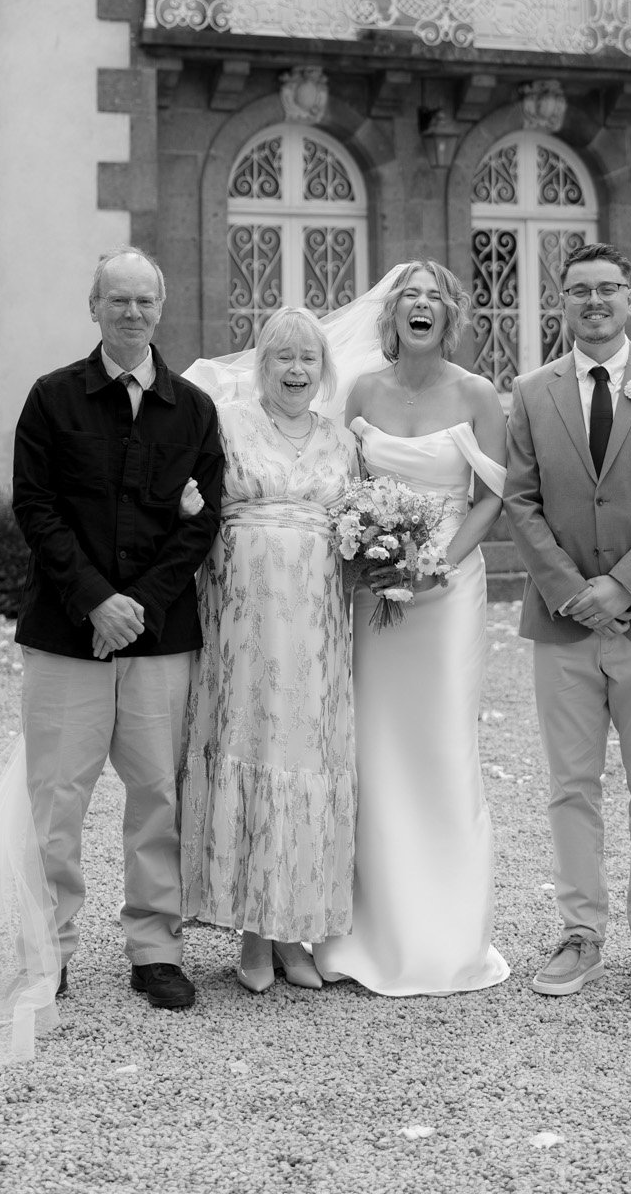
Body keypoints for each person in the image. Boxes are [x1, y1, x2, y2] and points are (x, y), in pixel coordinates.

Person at [11, 247, 224, 1013]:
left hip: (159, 638)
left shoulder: (193, 410)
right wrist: (98, 601)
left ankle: (156, 948)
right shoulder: (51, 399)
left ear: (160, 308)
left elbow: (204, 528)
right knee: (56, 800)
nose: (131, 313)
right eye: (117, 301)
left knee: (158, 798)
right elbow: (35, 510)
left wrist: (136, 604)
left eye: (143, 301)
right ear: (92, 306)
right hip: (67, 632)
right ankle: (48, 948)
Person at [503, 241, 631, 1007]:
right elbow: (518, 502)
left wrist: (623, 587)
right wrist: (571, 591)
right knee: (570, 786)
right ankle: (579, 934)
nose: (593, 302)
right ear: (561, 303)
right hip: (562, 623)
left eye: (606, 289)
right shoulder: (530, 391)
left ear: (629, 298)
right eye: (578, 291)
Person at [313, 261, 511, 995]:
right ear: (390, 315)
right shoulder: (362, 390)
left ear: (449, 315)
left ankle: (448, 936)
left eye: (433, 299)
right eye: (409, 299)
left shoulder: (476, 393)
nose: (420, 308)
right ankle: (369, 929)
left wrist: (437, 564)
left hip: (446, 592)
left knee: (441, 746)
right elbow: (339, 482)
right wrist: (365, 549)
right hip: (374, 591)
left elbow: (493, 497)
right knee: (374, 748)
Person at [180, 307, 358, 993]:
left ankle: (294, 931)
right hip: (245, 620)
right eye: (282, 357)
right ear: (260, 363)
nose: (294, 370)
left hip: (317, 626)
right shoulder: (226, 426)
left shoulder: (341, 442)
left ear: (323, 368)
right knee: (255, 749)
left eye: (307, 359)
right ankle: (253, 931)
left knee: (308, 758)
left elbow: (355, 525)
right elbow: (196, 502)